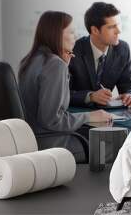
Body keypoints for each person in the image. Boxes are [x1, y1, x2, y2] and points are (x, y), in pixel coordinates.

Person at [18, 11, 111, 160]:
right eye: (72, 32)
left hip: (31, 141)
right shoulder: (54, 64)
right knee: (110, 146)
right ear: (57, 34)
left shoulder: (29, 60)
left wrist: (64, 67)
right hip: (52, 144)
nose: (75, 37)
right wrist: (89, 116)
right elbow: (52, 119)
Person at [69, 2, 131, 108]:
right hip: (78, 115)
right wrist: (90, 96)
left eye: (118, 24)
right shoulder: (74, 50)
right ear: (95, 30)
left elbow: (128, 85)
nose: (118, 31)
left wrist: (130, 95)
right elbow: (63, 94)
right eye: (112, 27)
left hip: (109, 117)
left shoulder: (122, 49)